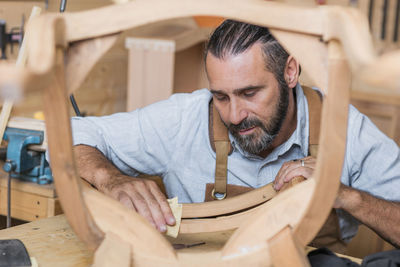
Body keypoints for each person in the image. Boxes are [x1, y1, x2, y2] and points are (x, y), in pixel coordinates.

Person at [72, 20, 400, 248]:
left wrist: (347, 196)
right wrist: (110, 179)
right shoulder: (185, 117)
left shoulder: (344, 129)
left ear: (290, 72)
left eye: (250, 93)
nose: (234, 115)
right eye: (221, 96)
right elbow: (75, 132)